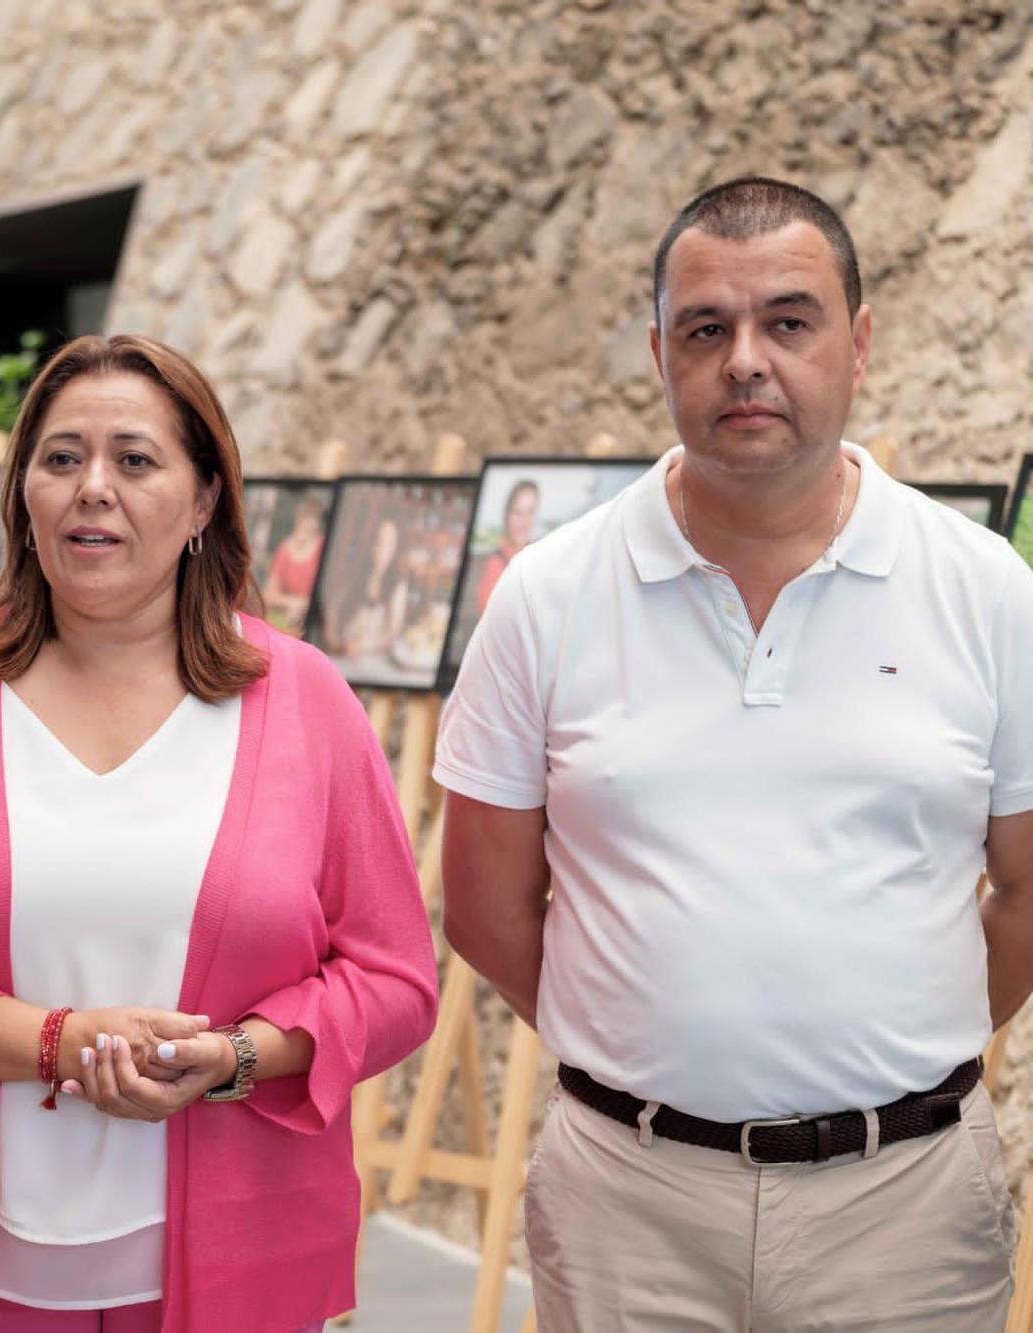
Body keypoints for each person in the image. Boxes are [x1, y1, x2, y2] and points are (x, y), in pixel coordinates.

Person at [436, 177, 1033, 1331]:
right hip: (626, 1201)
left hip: (901, 1208)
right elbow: (483, 905)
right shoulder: (548, 595)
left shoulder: (985, 593)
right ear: (659, 352)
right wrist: (650, 1056)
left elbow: (1029, 891)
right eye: (705, 329)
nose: (744, 360)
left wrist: (898, 1049)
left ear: (857, 344)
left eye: (787, 321)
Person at [0, 333, 438, 1332]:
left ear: (203, 500)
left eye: (134, 460)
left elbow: (394, 978)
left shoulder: (303, 699)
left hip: (244, 1257)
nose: (92, 487)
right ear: (24, 496)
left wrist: (233, 1058)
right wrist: (52, 1042)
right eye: (60, 459)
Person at [334, 515, 409, 663]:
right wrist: (337, 644)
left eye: (389, 543)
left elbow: (393, 635)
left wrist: (362, 646)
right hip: (342, 657)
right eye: (379, 541)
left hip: (374, 661)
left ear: (396, 547)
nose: (382, 548)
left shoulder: (398, 586)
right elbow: (331, 616)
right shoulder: (353, 575)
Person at [260, 493, 326, 634]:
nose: (307, 526)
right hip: (286, 619)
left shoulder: (322, 548)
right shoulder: (285, 549)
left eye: (313, 520)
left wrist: (305, 605)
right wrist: (291, 602)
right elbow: (268, 595)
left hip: (314, 620)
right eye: (304, 520)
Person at [472, 478, 539, 614]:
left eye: (530, 512)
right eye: (518, 512)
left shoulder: (537, 556)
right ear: (507, 515)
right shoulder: (496, 564)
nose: (524, 521)